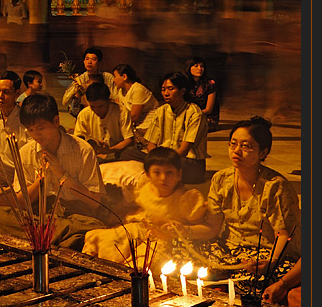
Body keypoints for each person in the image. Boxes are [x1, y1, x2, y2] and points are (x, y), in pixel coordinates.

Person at [0, 93, 105, 250]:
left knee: (93, 226)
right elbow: (21, 202)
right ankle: (56, 240)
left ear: (56, 121)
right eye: (31, 130)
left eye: (41, 128)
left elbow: (95, 203)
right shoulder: (26, 152)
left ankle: (46, 238)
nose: (36, 135)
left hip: (74, 214)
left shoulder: (83, 150)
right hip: (39, 215)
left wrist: (61, 174)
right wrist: (40, 181)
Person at [196, 117, 300, 281]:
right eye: (233, 143)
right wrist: (183, 229)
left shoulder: (275, 186)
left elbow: (283, 234)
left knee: (253, 278)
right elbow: (213, 228)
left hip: (263, 254)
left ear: (263, 152)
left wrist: (271, 262)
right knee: (180, 247)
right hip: (230, 251)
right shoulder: (221, 179)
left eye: (246, 146)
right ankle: (227, 275)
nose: (237, 150)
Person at [82, 147, 218, 271]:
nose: (163, 178)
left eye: (169, 172)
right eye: (157, 172)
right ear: (148, 174)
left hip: (167, 242)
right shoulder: (145, 187)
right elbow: (139, 209)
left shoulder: (186, 199)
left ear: (179, 175)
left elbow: (204, 229)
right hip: (142, 229)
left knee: (144, 263)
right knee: (100, 238)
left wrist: (184, 229)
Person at [141, 71, 208, 184]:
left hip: (188, 163)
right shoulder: (161, 111)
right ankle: (158, 170)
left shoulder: (194, 113)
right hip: (163, 160)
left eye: (171, 89)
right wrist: (156, 159)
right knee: (129, 153)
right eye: (163, 89)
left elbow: (183, 150)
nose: (166, 93)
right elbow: (151, 144)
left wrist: (159, 162)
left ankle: (157, 171)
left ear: (182, 91)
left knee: (175, 167)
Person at [73, 82, 136, 162]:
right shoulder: (84, 114)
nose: (97, 110)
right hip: (93, 154)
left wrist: (109, 150)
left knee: (130, 152)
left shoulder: (121, 112)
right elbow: (78, 139)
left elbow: (129, 140)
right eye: (93, 107)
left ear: (109, 101)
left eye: (101, 106)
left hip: (117, 152)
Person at [61, 46, 116, 117]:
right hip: (86, 113)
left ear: (99, 62)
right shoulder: (80, 79)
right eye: (87, 59)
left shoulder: (108, 77)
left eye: (93, 59)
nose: (89, 62)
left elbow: (115, 97)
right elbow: (65, 100)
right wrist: (77, 91)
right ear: (84, 61)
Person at [111, 63, 159, 131]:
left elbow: (134, 117)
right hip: (133, 126)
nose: (113, 80)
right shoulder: (121, 91)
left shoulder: (138, 89)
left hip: (148, 127)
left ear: (124, 76)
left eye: (115, 76)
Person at [185, 55, 220, 131]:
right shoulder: (185, 83)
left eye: (202, 66)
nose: (200, 69)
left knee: (192, 127)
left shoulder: (210, 83)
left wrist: (192, 115)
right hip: (189, 116)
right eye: (196, 66)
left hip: (206, 117)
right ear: (189, 68)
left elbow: (208, 110)